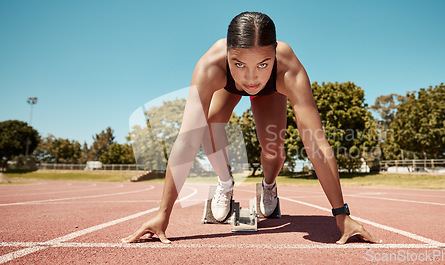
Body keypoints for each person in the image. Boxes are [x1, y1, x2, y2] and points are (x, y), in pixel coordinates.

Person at [122, 11, 380, 245]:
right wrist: (162, 214)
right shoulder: (210, 66)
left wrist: (341, 214)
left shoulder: (289, 69)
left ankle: (268, 187)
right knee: (207, 125)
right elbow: (186, 141)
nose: (251, 78)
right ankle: (225, 183)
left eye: (263, 64)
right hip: (226, 85)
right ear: (228, 55)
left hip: (273, 90)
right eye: (239, 64)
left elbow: (316, 144)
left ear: (275, 54)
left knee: (273, 148)